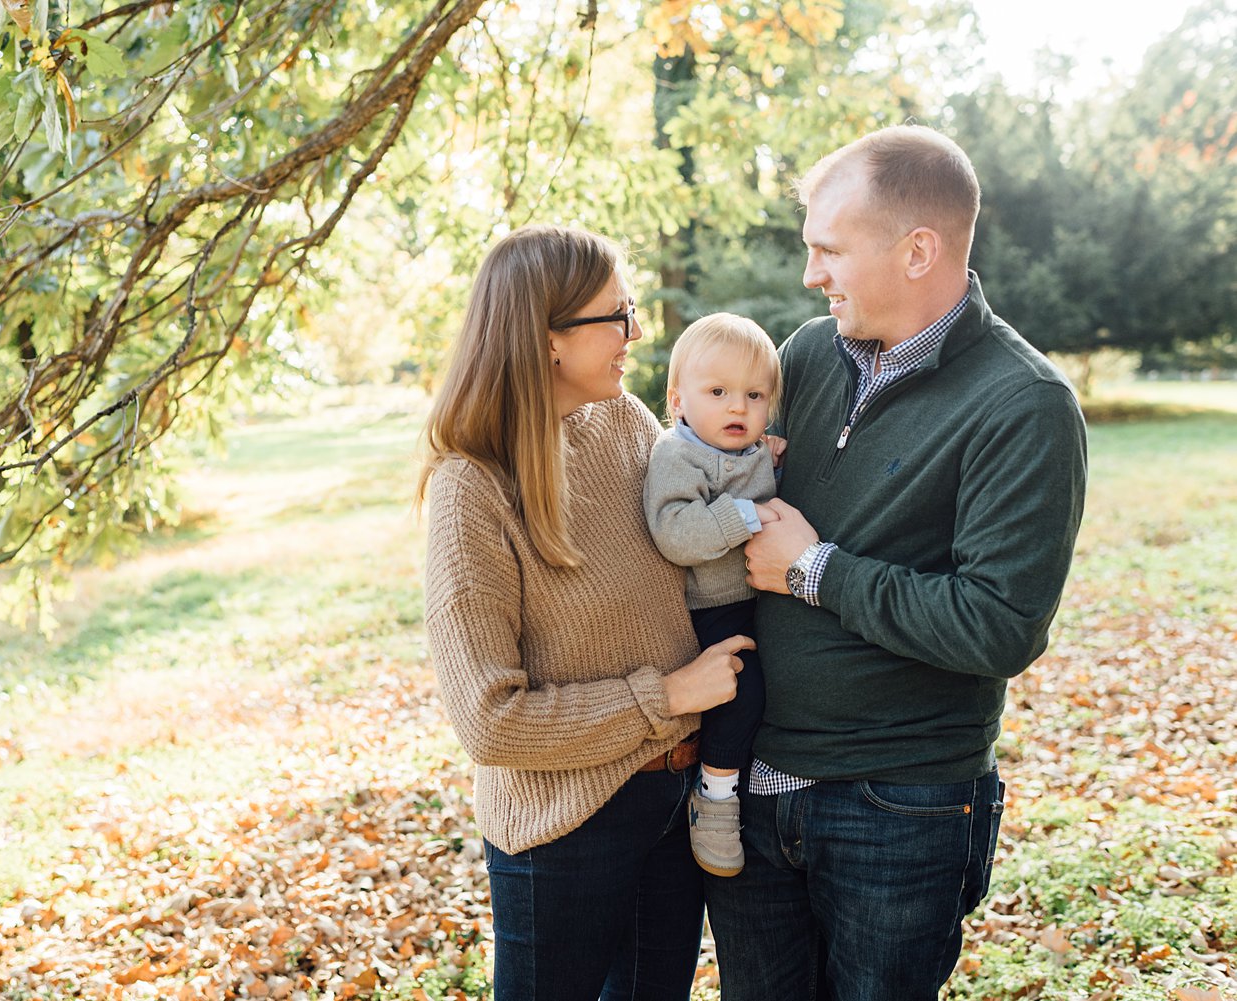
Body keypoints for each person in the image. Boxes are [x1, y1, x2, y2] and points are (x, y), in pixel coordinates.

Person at [703, 125, 1088, 1000]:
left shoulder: (1023, 404)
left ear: (918, 250)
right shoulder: (801, 355)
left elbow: (999, 624)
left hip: (899, 803)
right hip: (752, 784)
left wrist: (815, 569)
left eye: (829, 250)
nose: (812, 275)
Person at [419, 224, 753, 1001]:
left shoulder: (629, 422)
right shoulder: (472, 486)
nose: (635, 333)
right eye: (616, 317)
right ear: (547, 340)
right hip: (562, 830)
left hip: (674, 804)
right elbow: (490, 721)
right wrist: (666, 696)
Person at [642, 314, 782, 878]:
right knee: (741, 690)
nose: (737, 408)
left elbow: (760, 473)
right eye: (717, 392)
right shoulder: (677, 455)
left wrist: (776, 459)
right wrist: (746, 515)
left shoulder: (756, 450)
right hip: (709, 607)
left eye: (754, 395)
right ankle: (717, 795)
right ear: (677, 399)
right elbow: (675, 534)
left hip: (759, 595)